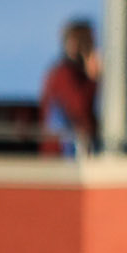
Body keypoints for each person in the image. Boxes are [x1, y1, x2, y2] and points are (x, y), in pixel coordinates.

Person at [39, 19, 100, 153]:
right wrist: (94, 78)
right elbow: (79, 109)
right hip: (64, 158)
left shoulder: (73, 74)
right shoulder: (64, 74)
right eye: (89, 41)